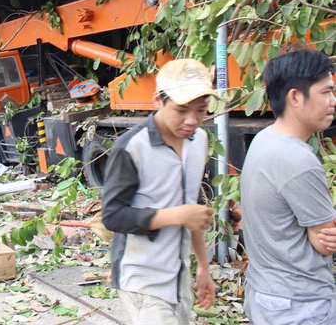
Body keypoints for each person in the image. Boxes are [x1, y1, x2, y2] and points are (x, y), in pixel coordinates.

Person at [101, 59, 218, 325]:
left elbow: (193, 213)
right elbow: (113, 216)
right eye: (181, 109)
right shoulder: (131, 147)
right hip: (142, 279)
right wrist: (176, 215)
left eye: (201, 110)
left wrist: (202, 267)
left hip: (178, 275)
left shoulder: (199, 140)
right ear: (158, 100)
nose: (192, 120)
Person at [241, 50, 336, 324]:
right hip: (301, 306)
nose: (333, 101)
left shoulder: (264, 139)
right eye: (326, 92)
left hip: (267, 296)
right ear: (295, 97)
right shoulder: (298, 160)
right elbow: (325, 241)